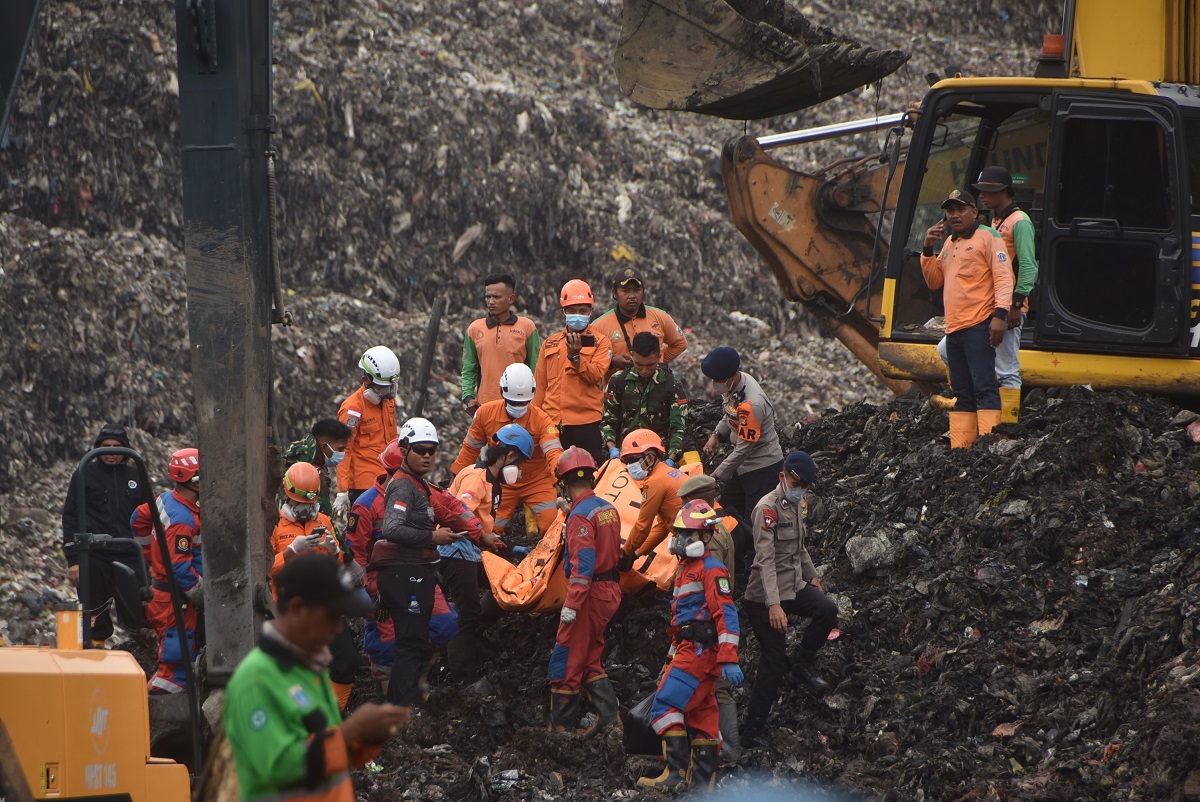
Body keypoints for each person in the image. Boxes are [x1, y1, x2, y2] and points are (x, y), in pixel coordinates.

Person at [224, 552, 411, 802]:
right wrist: (350, 731)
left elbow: (331, 752)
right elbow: (277, 767)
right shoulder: (256, 680)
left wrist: (370, 734)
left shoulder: (310, 671)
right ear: (298, 609)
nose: (337, 628)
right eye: (331, 617)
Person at [637, 500, 742, 792]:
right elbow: (681, 622)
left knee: (664, 705)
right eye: (679, 533)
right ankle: (702, 785)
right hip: (692, 650)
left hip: (698, 653)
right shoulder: (686, 569)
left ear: (706, 536)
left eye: (688, 534)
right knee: (702, 714)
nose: (681, 539)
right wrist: (670, 658)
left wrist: (729, 657)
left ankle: (675, 773)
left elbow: (726, 614)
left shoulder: (711, 569)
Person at [740, 451, 839, 749]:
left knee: (827, 609)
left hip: (792, 585)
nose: (801, 491)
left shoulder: (796, 504)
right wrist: (774, 605)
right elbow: (765, 561)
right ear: (783, 477)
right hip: (764, 595)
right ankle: (753, 727)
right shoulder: (766, 509)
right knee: (773, 660)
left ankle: (803, 665)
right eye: (797, 485)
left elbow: (799, 547)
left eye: (805, 487)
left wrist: (812, 576)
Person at [345, 444, 458, 695]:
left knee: (444, 625)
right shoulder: (366, 505)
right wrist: (365, 589)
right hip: (382, 583)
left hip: (418, 574)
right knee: (387, 648)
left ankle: (417, 679)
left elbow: (450, 510)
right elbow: (355, 552)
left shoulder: (423, 494)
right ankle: (392, 702)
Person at [369, 418, 463, 706]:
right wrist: (433, 536)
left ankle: (402, 706)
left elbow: (447, 510)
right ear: (404, 450)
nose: (427, 456)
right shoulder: (402, 487)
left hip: (414, 572)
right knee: (408, 645)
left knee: (415, 642)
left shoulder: (419, 485)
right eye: (421, 450)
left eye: (432, 450)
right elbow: (392, 529)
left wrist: (478, 534)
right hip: (404, 573)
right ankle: (397, 711)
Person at [922, 189, 1014, 448]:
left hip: (978, 325)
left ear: (974, 211)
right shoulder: (950, 243)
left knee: (985, 388)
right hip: (954, 329)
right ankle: (962, 450)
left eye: (961, 209)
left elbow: (1004, 277)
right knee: (962, 393)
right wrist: (927, 248)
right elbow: (934, 281)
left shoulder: (989, 237)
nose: (955, 215)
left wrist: (1000, 314)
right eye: (950, 211)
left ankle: (989, 447)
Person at [270, 462, 363, 710]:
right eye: (300, 503)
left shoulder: (322, 520)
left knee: (348, 661)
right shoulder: (274, 524)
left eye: (311, 502)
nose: (306, 509)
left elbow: (334, 566)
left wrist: (334, 552)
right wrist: (291, 550)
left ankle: (332, 712)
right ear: (288, 495)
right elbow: (265, 569)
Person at [445, 424, 533, 680]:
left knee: (506, 585)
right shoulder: (477, 478)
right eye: (520, 463)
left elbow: (480, 525)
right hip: (454, 550)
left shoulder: (492, 482)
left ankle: (474, 640)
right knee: (468, 612)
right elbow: (458, 515)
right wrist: (483, 536)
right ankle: (461, 672)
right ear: (510, 456)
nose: (520, 470)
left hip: (471, 549)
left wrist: (509, 547)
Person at [546, 447, 622, 737]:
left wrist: (572, 604)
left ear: (564, 483)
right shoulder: (607, 508)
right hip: (608, 591)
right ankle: (610, 720)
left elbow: (584, 564)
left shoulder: (580, 517)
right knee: (589, 656)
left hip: (588, 596)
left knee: (566, 656)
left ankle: (560, 731)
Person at [700, 346, 784, 585]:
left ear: (732, 376)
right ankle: (731, 560)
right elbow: (729, 414)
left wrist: (716, 475)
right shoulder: (734, 387)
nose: (715, 386)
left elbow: (744, 449)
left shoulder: (752, 403)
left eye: (718, 381)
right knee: (726, 509)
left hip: (762, 467)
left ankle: (754, 577)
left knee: (755, 525)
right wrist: (716, 435)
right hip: (742, 466)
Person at [450, 363, 563, 536]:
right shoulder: (485, 414)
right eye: (513, 402)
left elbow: (554, 453)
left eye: (523, 403)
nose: (518, 407)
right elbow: (470, 448)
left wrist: (562, 481)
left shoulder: (542, 421)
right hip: (501, 482)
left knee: (553, 525)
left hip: (537, 481)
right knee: (489, 528)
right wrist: (455, 476)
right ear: (502, 392)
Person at [61, 423, 146, 647]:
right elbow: (71, 517)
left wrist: (151, 556)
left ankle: (145, 651)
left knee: (142, 608)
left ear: (125, 449)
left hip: (130, 552)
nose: (111, 452)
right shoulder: (85, 474)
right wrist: (74, 559)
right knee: (94, 612)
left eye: (117, 447)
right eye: (106, 446)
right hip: (95, 553)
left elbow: (149, 517)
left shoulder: (136, 475)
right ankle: (95, 650)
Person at [676, 473, 740, 761]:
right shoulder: (721, 528)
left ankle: (727, 752)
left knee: (716, 690)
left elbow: (710, 589)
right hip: (712, 625)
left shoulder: (706, 542)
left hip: (707, 630)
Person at [142, 448, 203, 694]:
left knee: (176, 662)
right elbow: (179, 568)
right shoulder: (183, 520)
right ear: (194, 481)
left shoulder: (165, 500)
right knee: (176, 672)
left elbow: (138, 518)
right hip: (174, 602)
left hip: (164, 595)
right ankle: (154, 707)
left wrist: (150, 555)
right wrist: (199, 592)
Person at [533, 279, 611, 463]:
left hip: (586, 423)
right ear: (563, 312)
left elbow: (595, 375)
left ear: (591, 311)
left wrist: (576, 358)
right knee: (554, 472)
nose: (577, 315)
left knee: (589, 473)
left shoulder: (601, 342)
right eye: (572, 311)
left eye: (583, 311)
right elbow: (540, 386)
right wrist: (534, 420)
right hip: (553, 423)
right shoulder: (550, 344)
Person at [601, 331, 688, 466]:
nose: (644, 371)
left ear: (659, 356)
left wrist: (672, 458)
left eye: (650, 365)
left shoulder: (672, 385)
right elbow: (608, 421)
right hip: (626, 456)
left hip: (660, 457)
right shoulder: (618, 381)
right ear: (632, 355)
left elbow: (679, 427)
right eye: (639, 365)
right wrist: (612, 448)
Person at [461, 273, 542, 415]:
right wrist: (468, 398)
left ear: (511, 299)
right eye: (488, 297)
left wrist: (535, 404)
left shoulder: (527, 327)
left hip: (519, 408)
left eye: (496, 297)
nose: (491, 301)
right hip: (485, 408)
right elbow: (469, 368)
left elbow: (537, 369)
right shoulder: (475, 329)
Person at [335, 346, 401, 516]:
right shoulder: (352, 409)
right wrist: (342, 491)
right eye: (383, 386)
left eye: (390, 386)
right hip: (364, 486)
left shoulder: (387, 401)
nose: (389, 391)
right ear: (366, 379)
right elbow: (343, 451)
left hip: (389, 480)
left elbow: (393, 439)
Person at [591, 266, 688, 378]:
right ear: (615, 293)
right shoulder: (599, 326)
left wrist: (655, 361)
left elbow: (680, 343)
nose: (632, 296)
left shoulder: (660, 317)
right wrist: (612, 362)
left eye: (637, 290)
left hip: (654, 386)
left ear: (643, 291)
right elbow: (588, 363)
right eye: (625, 291)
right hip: (618, 388)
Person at [614, 430, 685, 572]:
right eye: (626, 462)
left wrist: (625, 553)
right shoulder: (668, 473)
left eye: (633, 460)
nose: (629, 467)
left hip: (703, 539)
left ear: (651, 458)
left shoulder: (655, 482)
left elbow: (642, 526)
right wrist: (636, 554)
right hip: (714, 533)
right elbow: (663, 526)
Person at [282, 419, 352, 518]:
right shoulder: (310, 471)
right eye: (340, 449)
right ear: (324, 447)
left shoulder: (304, 456)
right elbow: (322, 514)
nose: (342, 454)